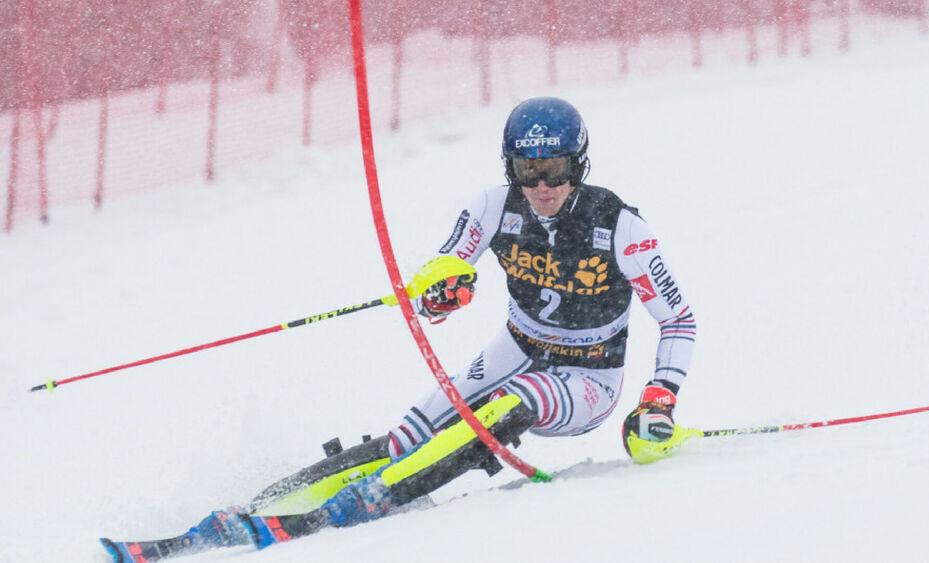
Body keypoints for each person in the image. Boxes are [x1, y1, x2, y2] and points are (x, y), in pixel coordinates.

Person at [101, 97, 697, 560]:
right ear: (510, 167)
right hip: (516, 346)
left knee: (514, 403)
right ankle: (258, 508)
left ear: (579, 164)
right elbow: (440, 278)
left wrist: (659, 400)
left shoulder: (619, 226)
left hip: (587, 375)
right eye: (527, 168)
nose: (541, 184)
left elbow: (678, 320)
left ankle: (374, 499)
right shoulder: (494, 206)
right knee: (407, 434)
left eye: (556, 169)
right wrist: (442, 291)